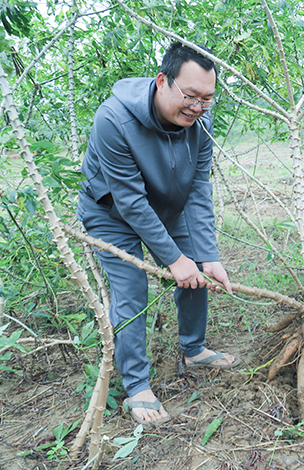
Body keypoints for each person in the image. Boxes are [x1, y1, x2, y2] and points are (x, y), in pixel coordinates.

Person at [77, 41, 235, 425]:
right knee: (132, 290)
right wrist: (174, 260)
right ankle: (136, 386)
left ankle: (193, 349)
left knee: (197, 268)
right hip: (111, 212)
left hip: (168, 204)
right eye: (190, 96)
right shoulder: (113, 119)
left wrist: (205, 255)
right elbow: (130, 202)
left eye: (206, 100)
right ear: (162, 81)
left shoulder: (200, 122)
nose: (197, 108)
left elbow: (198, 188)